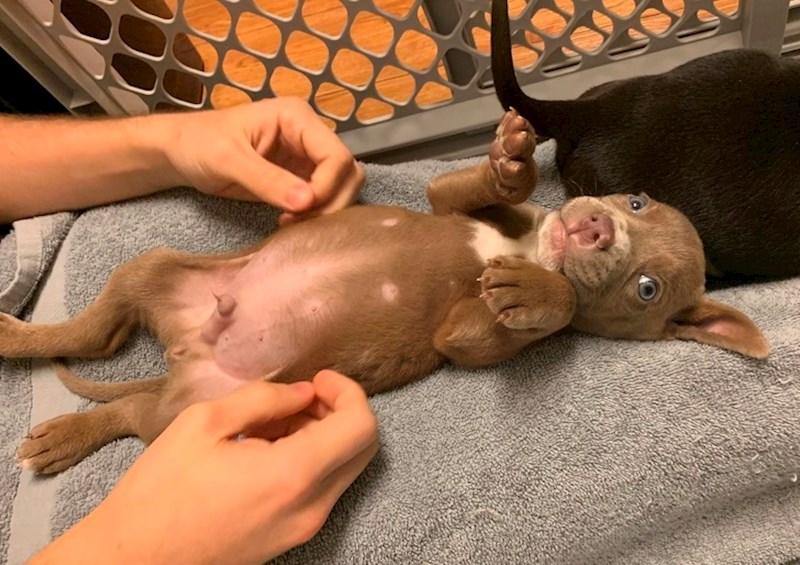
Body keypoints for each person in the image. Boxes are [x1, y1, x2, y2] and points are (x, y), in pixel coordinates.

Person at [0, 98, 379, 564]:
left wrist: (174, 140)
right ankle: (89, 342)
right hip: (231, 310)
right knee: (150, 284)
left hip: (246, 340)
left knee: (161, 323)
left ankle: (122, 406)